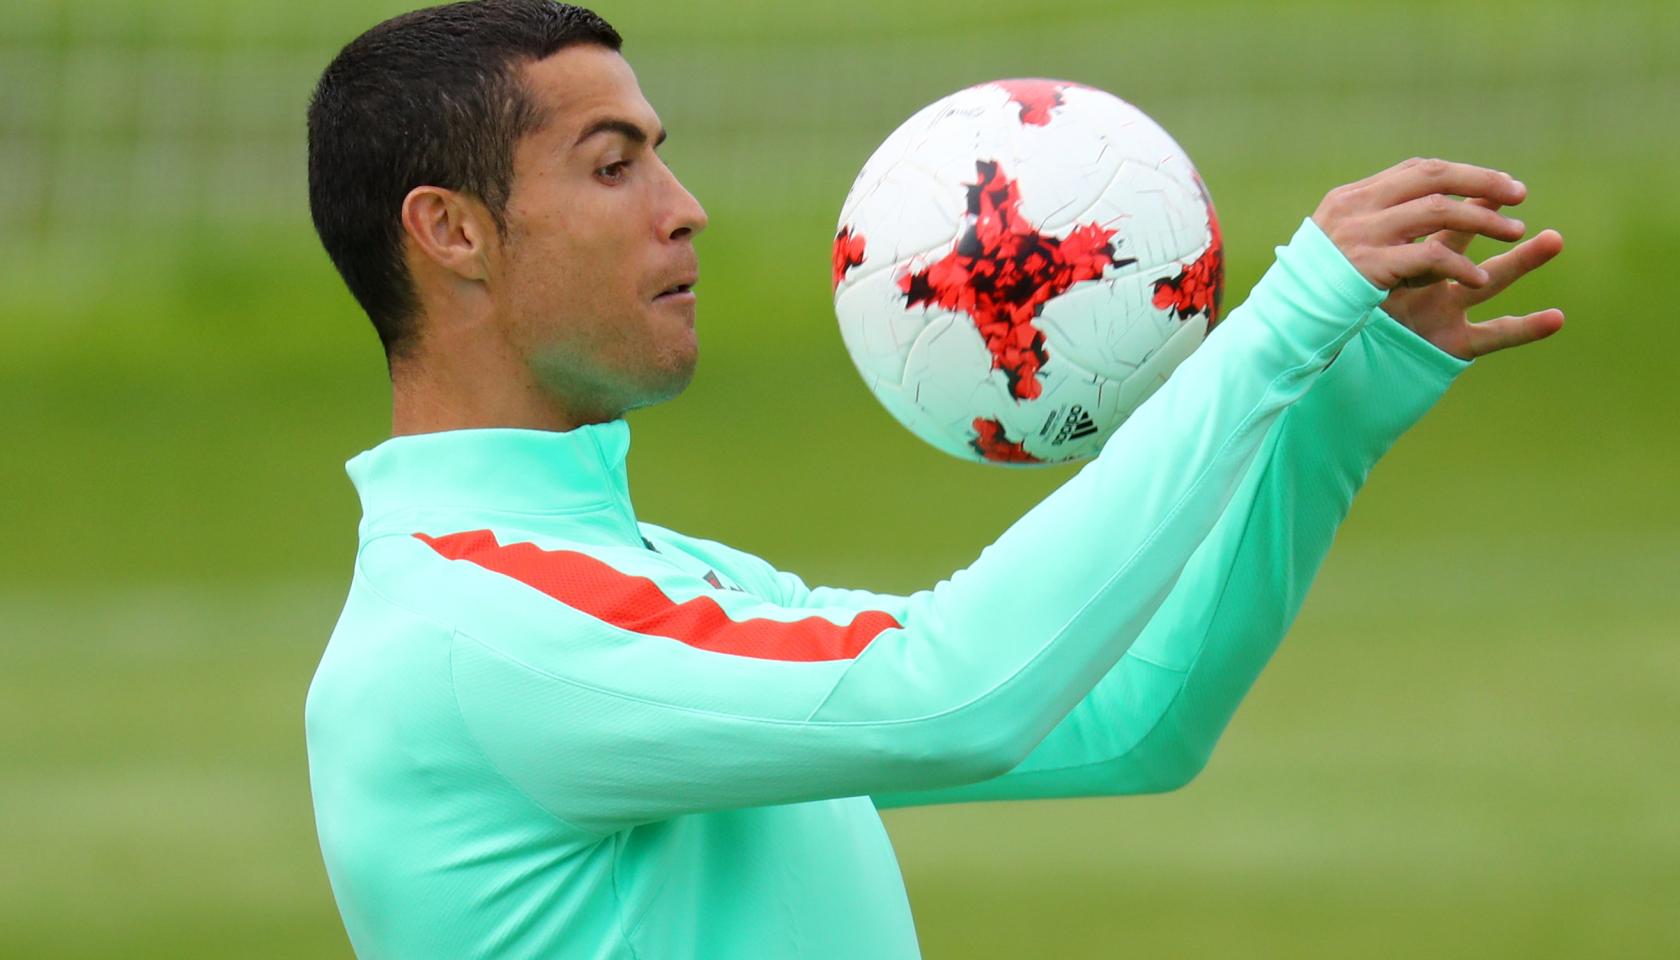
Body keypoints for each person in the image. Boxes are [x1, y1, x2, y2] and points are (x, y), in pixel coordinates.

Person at [302, 1, 1565, 957]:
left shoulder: (636, 577)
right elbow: (955, 691)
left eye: (659, 157)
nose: (684, 208)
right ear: (450, 231)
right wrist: (1282, 316)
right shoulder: (488, 628)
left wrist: (1340, 398)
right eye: (612, 164)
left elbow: (1127, 717)